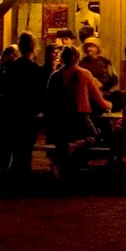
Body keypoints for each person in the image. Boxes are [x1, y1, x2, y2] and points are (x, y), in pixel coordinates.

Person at [44, 46, 112, 174]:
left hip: (60, 120)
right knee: (95, 136)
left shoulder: (55, 76)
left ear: (62, 58)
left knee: (62, 142)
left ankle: (65, 163)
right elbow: (97, 98)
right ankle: (76, 145)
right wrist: (108, 105)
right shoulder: (84, 74)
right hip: (80, 117)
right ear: (77, 58)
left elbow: (49, 100)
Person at [0, 32, 48, 180]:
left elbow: (3, 88)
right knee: (25, 145)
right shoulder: (36, 70)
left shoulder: (10, 68)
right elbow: (41, 92)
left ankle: (5, 169)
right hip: (29, 112)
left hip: (11, 109)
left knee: (8, 140)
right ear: (34, 48)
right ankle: (22, 170)